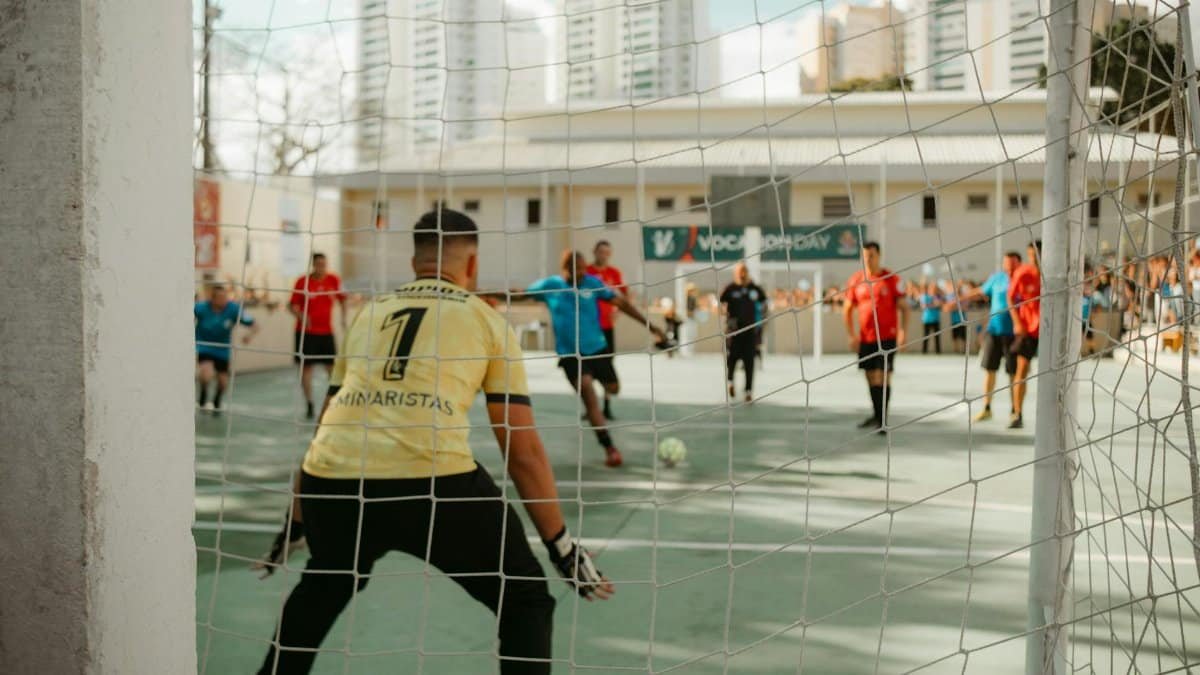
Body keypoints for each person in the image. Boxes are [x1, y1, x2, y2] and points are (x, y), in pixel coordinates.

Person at [255, 209, 613, 675]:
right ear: (473, 265)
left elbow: (328, 423)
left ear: (413, 262)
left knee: (326, 582)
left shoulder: (369, 314)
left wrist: (295, 521)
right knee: (525, 598)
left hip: (334, 483)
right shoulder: (486, 321)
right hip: (433, 485)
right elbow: (521, 450)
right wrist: (562, 547)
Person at [519, 250, 665, 468]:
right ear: (565, 268)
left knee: (613, 388)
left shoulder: (593, 283)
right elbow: (520, 294)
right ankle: (609, 448)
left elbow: (622, 304)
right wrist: (492, 295)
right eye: (574, 268)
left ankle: (598, 390)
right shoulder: (551, 285)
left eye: (582, 268)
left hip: (597, 348)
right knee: (588, 392)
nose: (579, 272)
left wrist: (651, 327)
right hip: (570, 355)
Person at [843, 242, 909, 432]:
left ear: (879, 256)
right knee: (871, 377)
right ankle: (876, 415)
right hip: (866, 338)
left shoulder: (891, 279)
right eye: (865, 256)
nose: (868, 259)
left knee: (884, 377)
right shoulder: (856, 280)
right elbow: (847, 309)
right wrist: (851, 335)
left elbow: (904, 308)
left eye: (871, 255)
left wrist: (903, 332)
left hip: (887, 338)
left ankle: (882, 420)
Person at [290, 253, 346, 420]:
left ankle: (335, 403)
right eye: (318, 264)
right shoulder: (302, 282)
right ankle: (309, 404)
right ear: (313, 265)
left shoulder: (333, 280)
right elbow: (291, 305)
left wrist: (343, 317)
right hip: (305, 333)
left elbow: (343, 299)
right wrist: (302, 317)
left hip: (326, 333)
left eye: (324, 264)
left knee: (332, 370)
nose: (321, 267)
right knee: (306, 369)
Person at [969, 252, 1020, 421]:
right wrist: (957, 299)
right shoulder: (997, 278)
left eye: (1012, 263)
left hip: (1013, 333)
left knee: (1013, 373)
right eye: (1007, 263)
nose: (1009, 266)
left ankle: (1015, 410)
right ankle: (987, 407)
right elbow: (980, 291)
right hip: (994, 331)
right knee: (989, 370)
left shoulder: (1021, 279)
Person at [195, 283, 258, 414]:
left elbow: (254, 325)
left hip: (223, 350)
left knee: (223, 383)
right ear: (212, 298)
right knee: (206, 374)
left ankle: (217, 400)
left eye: (225, 297)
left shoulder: (233, 309)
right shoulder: (201, 308)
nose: (223, 300)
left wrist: (249, 336)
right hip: (205, 347)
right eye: (220, 297)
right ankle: (203, 393)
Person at [585, 240, 627, 420]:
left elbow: (623, 295)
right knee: (588, 368)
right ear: (594, 252)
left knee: (607, 365)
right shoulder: (586, 272)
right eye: (601, 251)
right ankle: (590, 407)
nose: (603, 255)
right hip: (589, 329)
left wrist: (617, 313)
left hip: (607, 328)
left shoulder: (614, 274)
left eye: (607, 252)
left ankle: (606, 406)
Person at [1007, 240, 1042, 429]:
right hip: (1028, 330)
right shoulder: (1023, 273)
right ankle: (1017, 413)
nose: (1034, 257)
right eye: (1031, 254)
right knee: (1022, 370)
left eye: (1037, 253)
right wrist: (1017, 322)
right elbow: (1010, 297)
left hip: (1049, 330)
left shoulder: (1054, 274)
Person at [719, 262, 767, 403]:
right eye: (739, 271)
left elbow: (764, 303)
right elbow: (721, 303)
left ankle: (748, 391)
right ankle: (730, 383)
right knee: (731, 360)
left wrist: (761, 321)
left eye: (744, 271)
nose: (742, 274)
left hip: (749, 332)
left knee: (749, 362)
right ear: (735, 273)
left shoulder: (755, 289)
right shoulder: (730, 289)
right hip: (733, 332)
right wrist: (725, 316)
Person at [918, 282, 942, 354]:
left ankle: (938, 352)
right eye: (932, 288)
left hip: (936, 319)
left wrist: (931, 304)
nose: (933, 289)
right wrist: (932, 304)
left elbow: (938, 304)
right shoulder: (924, 296)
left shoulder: (937, 296)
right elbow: (923, 306)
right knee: (925, 336)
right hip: (927, 319)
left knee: (937, 337)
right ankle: (924, 351)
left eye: (935, 288)